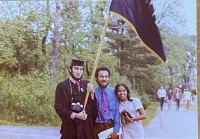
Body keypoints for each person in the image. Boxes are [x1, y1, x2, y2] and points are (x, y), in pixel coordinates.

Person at [54, 58, 97, 139]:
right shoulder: (62, 86)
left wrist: (92, 93)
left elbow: (92, 109)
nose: (78, 72)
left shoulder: (86, 84)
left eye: (81, 69)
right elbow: (58, 107)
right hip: (71, 128)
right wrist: (76, 115)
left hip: (86, 128)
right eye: (76, 68)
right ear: (70, 69)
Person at [93, 66, 121, 139]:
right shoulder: (92, 93)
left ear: (109, 78)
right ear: (96, 78)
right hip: (97, 128)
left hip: (111, 127)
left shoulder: (114, 92)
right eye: (101, 76)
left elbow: (117, 112)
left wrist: (116, 129)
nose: (104, 79)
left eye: (106, 76)